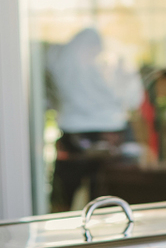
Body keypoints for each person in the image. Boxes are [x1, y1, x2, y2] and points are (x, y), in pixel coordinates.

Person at [45, 27, 142, 211]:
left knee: (63, 200)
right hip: (111, 130)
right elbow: (133, 99)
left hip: (73, 131)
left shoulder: (59, 57)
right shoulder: (117, 59)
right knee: (111, 202)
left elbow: (49, 94)